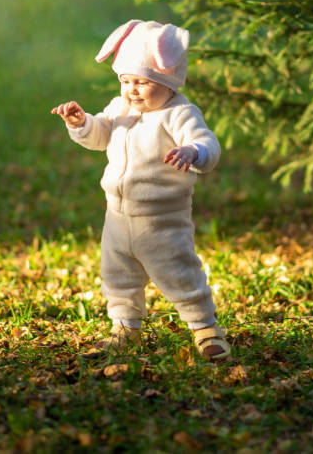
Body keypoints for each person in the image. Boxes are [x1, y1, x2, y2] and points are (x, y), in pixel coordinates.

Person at [51, 20, 230, 360]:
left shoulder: (179, 113)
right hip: (117, 215)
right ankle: (125, 326)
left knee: (179, 273)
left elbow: (207, 143)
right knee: (118, 275)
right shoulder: (120, 107)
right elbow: (101, 134)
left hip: (161, 219)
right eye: (125, 81)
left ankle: (205, 328)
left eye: (142, 82)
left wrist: (194, 152)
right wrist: (82, 123)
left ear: (168, 80)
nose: (132, 90)